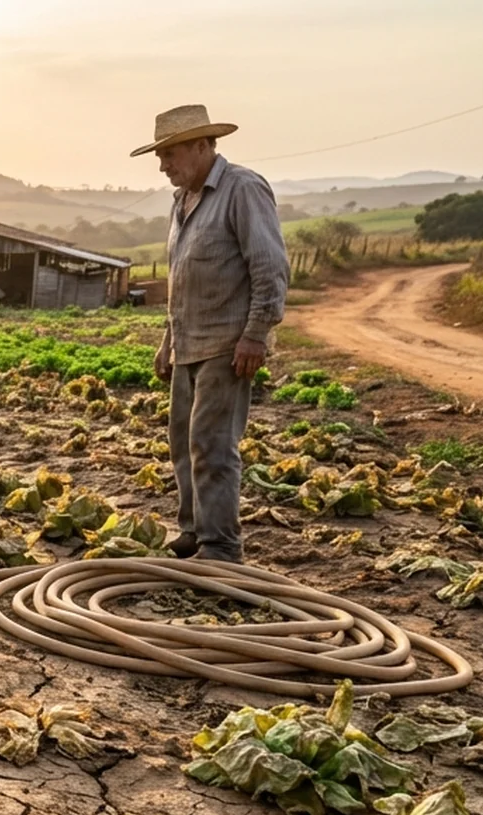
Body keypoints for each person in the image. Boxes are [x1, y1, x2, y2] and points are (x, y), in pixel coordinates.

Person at [134, 104, 289, 563]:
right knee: (182, 441)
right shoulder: (182, 200)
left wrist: (256, 334)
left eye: (170, 154)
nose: (163, 165)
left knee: (213, 444)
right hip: (189, 343)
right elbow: (182, 278)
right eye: (159, 156)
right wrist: (168, 341)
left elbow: (269, 266)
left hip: (228, 342)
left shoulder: (242, 189)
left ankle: (221, 546)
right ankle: (193, 531)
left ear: (202, 146)